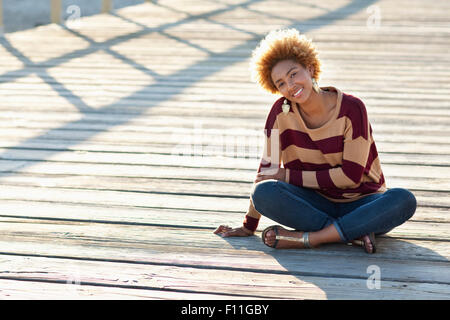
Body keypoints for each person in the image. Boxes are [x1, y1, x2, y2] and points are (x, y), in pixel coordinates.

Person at [213, 28, 417, 253]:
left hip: (363, 202)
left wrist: (287, 175)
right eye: (281, 83)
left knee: (402, 199)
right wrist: (248, 225)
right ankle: (351, 233)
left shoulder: (352, 108)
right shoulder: (280, 113)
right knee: (263, 193)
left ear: (309, 68)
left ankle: (310, 238)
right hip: (313, 204)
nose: (290, 86)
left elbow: (350, 176)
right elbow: (267, 172)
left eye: (293, 74)